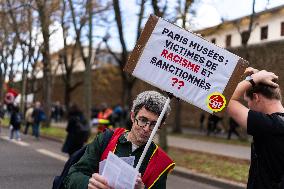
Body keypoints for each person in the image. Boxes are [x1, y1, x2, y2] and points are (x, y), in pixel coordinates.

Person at [63, 91, 175, 189]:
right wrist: (87, 184)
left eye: (153, 124)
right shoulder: (105, 139)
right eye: (142, 120)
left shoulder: (160, 161)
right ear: (132, 116)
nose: (146, 129)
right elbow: (73, 175)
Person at [227, 67, 284, 189]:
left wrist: (253, 79)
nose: (248, 106)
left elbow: (226, 100)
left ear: (256, 97)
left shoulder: (268, 125)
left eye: (247, 101)